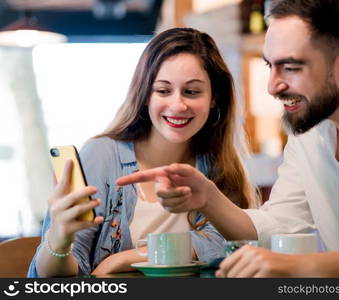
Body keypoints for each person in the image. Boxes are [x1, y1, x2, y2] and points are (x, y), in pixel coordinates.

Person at [117, 0, 339, 277]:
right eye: (269, 66)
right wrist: (208, 198)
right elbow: (280, 225)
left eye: (290, 67)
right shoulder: (309, 128)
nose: (273, 86)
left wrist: (299, 266)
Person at [28, 27, 257, 277]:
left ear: (214, 98)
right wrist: (59, 241)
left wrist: (126, 258)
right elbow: (60, 277)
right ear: (145, 94)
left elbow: (236, 246)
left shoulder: (220, 164)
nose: (178, 105)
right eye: (163, 90)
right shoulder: (103, 156)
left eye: (192, 91)